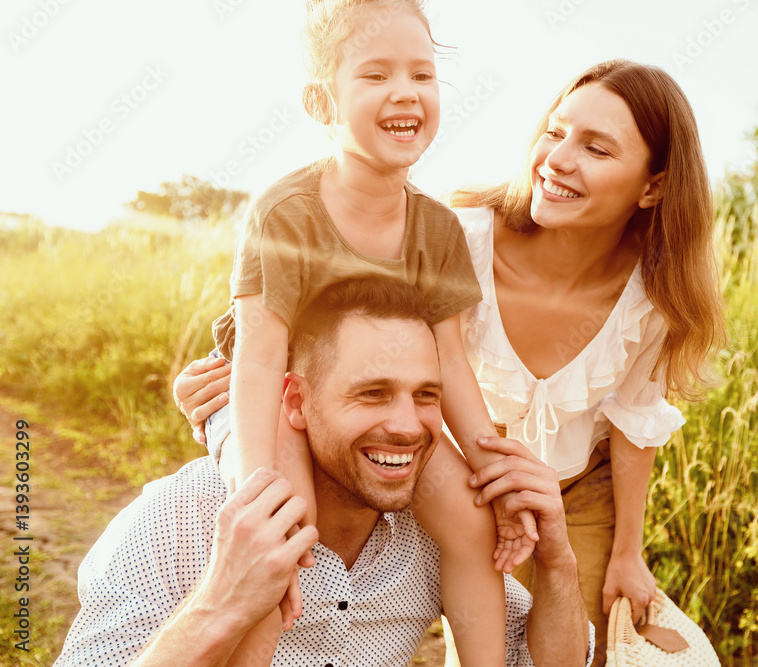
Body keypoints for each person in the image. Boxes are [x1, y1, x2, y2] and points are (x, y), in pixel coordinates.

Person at [178, 59, 727, 665]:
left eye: (596, 148)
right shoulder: (460, 237)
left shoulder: (654, 296)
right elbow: (347, 329)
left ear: (652, 187)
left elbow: (634, 421)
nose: (559, 158)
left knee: (579, 643)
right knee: (478, 584)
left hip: (581, 488)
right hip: (461, 458)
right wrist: (254, 372)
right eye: (555, 130)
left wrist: (630, 550)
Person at [200, 0, 535, 662]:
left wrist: (494, 471)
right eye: (375, 75)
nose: (405, 92)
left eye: (421, 74)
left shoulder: (437, 229)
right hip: (283, 396)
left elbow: (451, 364)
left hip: (374, 401)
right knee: (281, 527)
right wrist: (254, 484)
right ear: (322, 102)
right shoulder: (284, 212)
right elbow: (261, 361)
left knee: (470, 522)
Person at [55, 278, 593, 667]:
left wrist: (558, 562)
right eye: (372, 393)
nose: (408, 426)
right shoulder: (177, 520)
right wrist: (220, 603)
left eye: (426, 395)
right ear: (295, 402)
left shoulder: (437, 534)